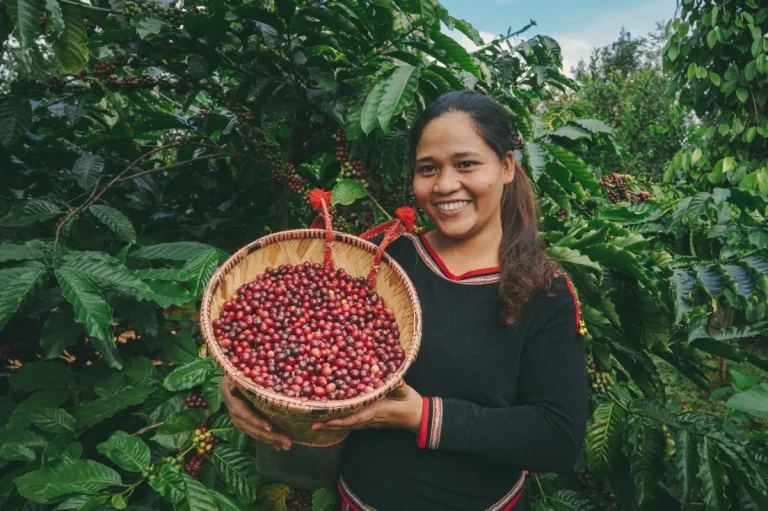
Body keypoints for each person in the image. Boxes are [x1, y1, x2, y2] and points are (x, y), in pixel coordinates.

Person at [221, 90, 589, 510]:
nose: (446, 184)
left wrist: (421, 416)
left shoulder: (544, 290)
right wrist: (238, 387)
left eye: (466, 164)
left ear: (506, 167)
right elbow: (289, 341)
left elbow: (557, 439)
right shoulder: (381, 257)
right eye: (428, 169)